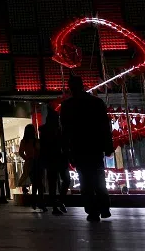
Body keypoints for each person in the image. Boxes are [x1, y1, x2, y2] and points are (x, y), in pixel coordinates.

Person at [61, 75, 113, 222]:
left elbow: (65, 131)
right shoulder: (96, 102)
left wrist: (66, 150)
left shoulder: (67, 106)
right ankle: (104, 207)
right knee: (98, 177)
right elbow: (104, 126)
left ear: (70, 88)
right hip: (95, 146)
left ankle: (92, 210)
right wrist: (107, 146)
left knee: (85, 180)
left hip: (79, 147)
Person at [39, 108, 70, 215]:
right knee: (60, 181)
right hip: (55, 159)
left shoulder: (57, 130)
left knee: (56, 182)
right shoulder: (54, 131)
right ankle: (57, 204)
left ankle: (57, 203)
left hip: (54, 159)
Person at [19, 124, 45, 212]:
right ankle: (40, 202)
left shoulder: (24, 141)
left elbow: (21, 152)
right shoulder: (35, 140)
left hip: (30, 163)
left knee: (35, 184)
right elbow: (39, 151)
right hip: (36, 162)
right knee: (39, 184)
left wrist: (27, 158)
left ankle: (35, 202)